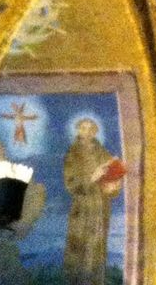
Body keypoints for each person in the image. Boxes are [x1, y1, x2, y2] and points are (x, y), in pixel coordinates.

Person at [63, 117, 123, 285]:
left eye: (91, 128)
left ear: (95, 131)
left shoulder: (102, 152)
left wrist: (114, 187)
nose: (87, 132)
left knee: (97, 247)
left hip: (100, 208)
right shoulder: (72, 154)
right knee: (80, 248)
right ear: (78, 130)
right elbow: (71, 185)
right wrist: (92, 178)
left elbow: (113, 178)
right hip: (82, 209)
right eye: (83, 128)